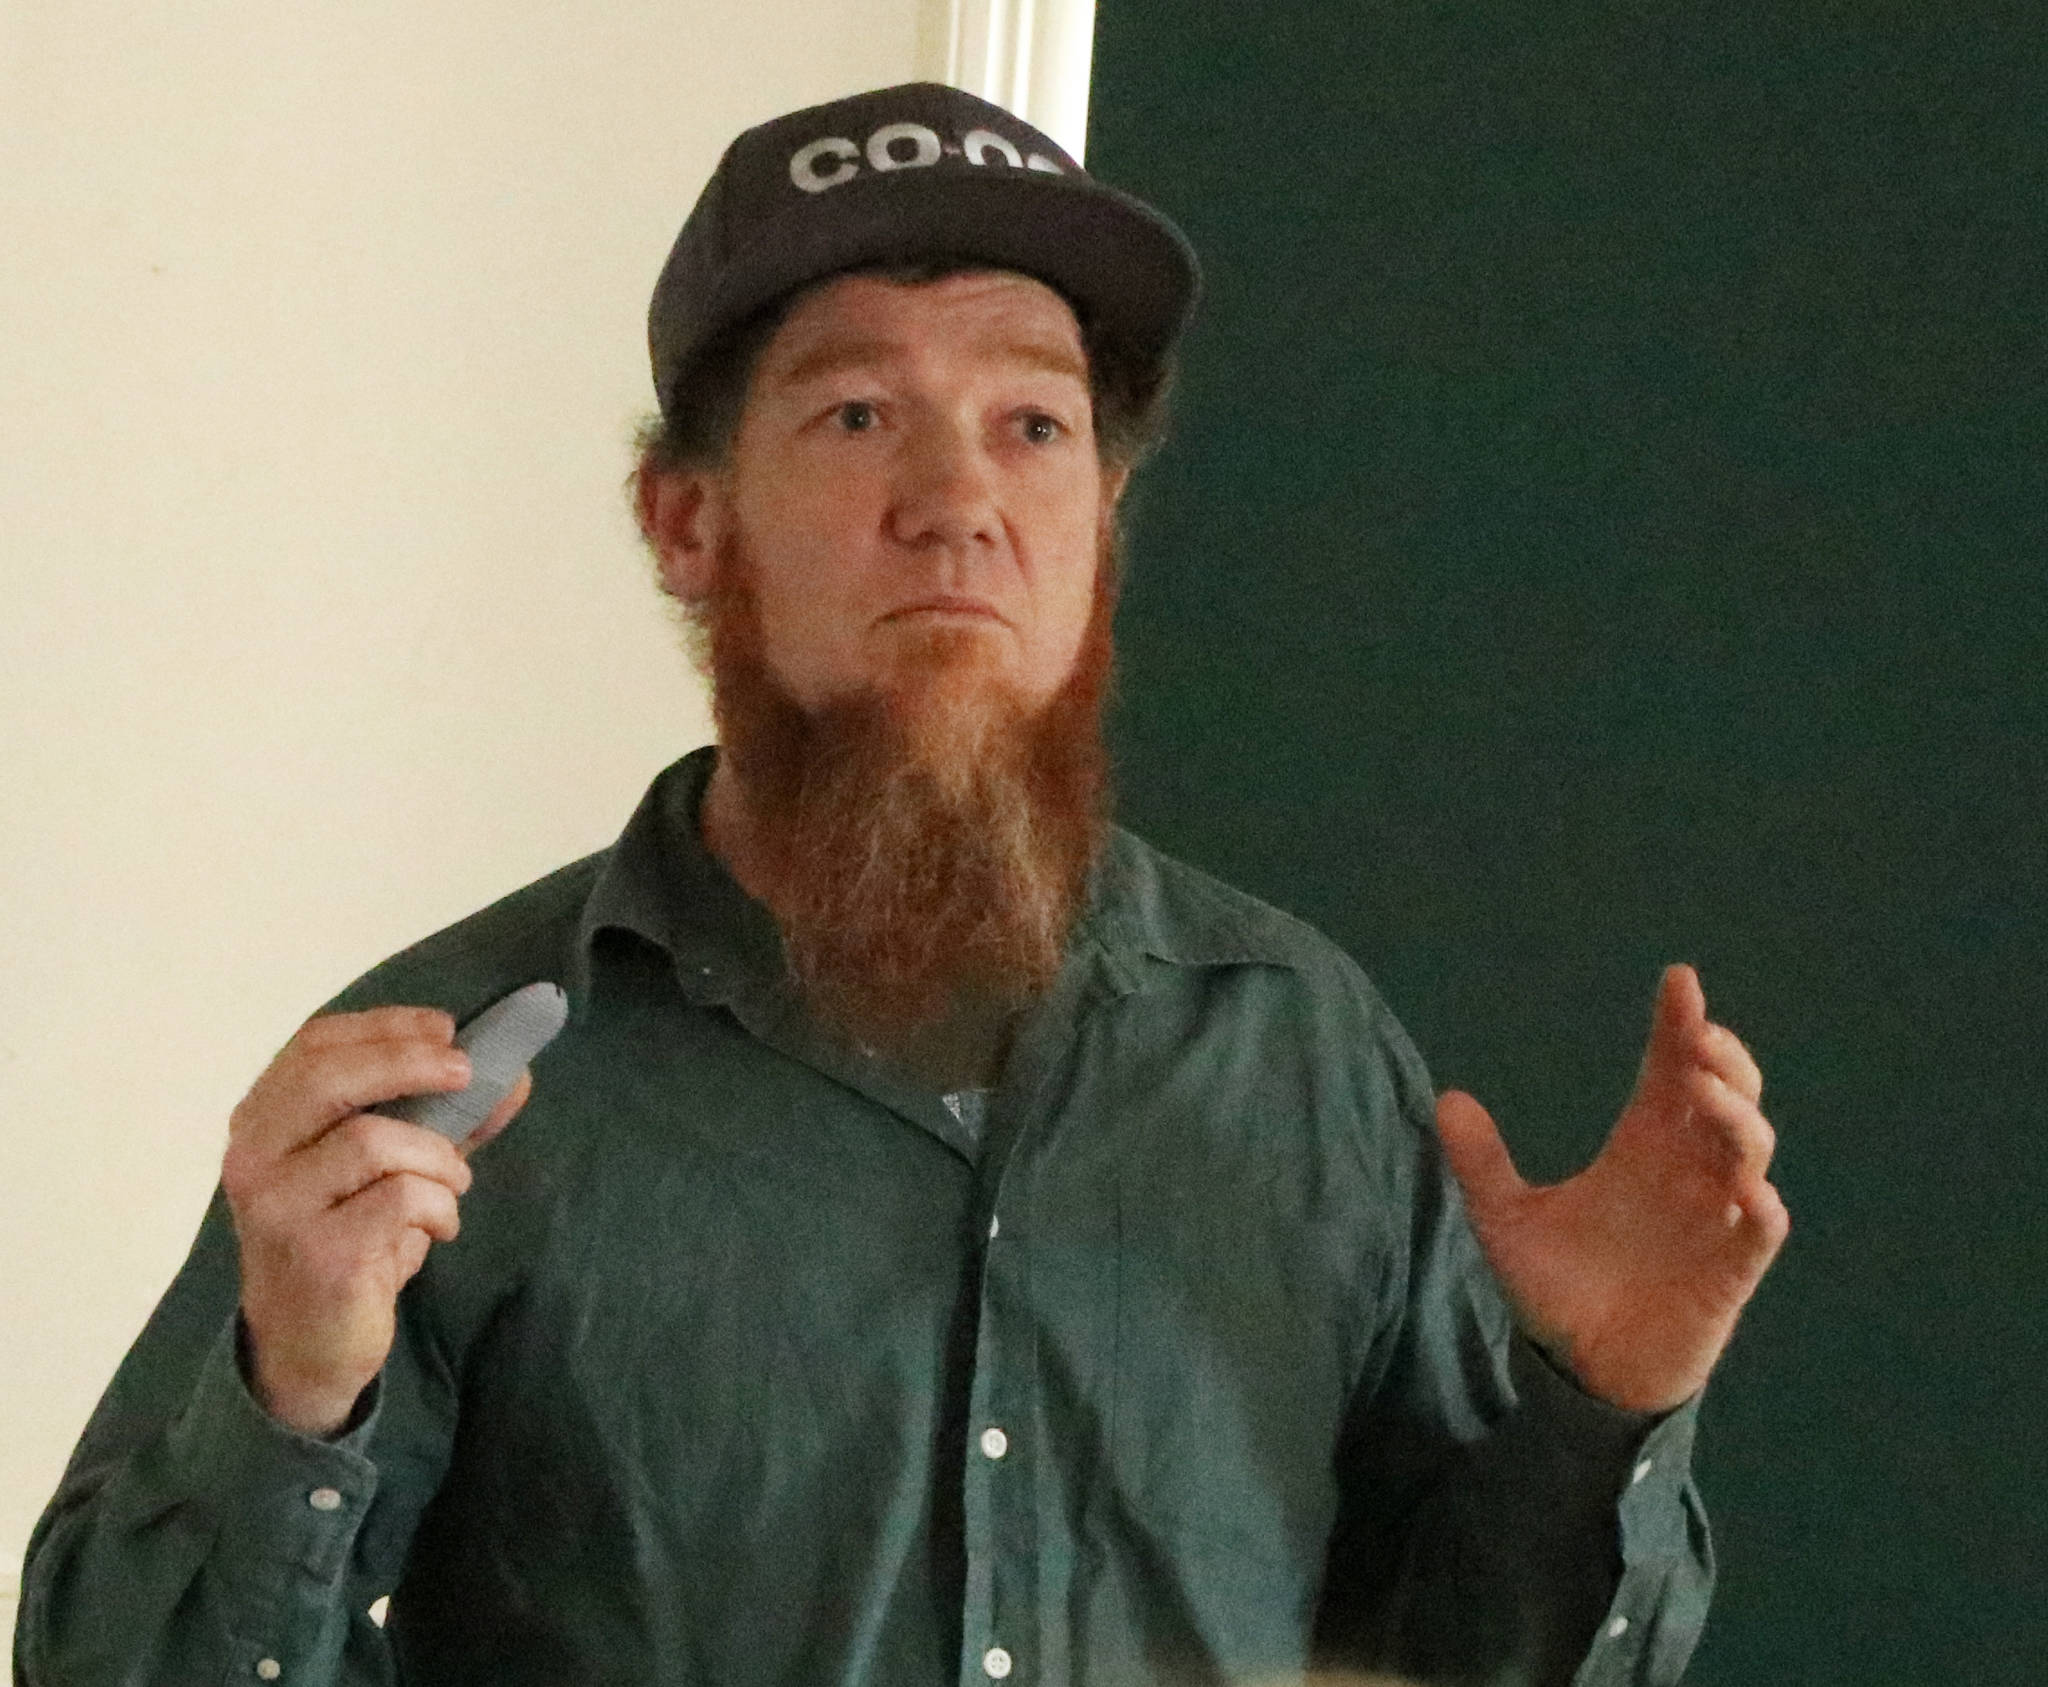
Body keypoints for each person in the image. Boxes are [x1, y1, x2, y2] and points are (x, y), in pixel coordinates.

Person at [16, 83, 1786, 1687]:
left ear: (1101, 524)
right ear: (687, 524)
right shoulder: (452, 1083)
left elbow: (1471, 1666)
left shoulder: (1305, 1056)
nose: (960, 501)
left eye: (1034, 425)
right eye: (861, 413)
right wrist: (292, 1389)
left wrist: (1601, 1404)